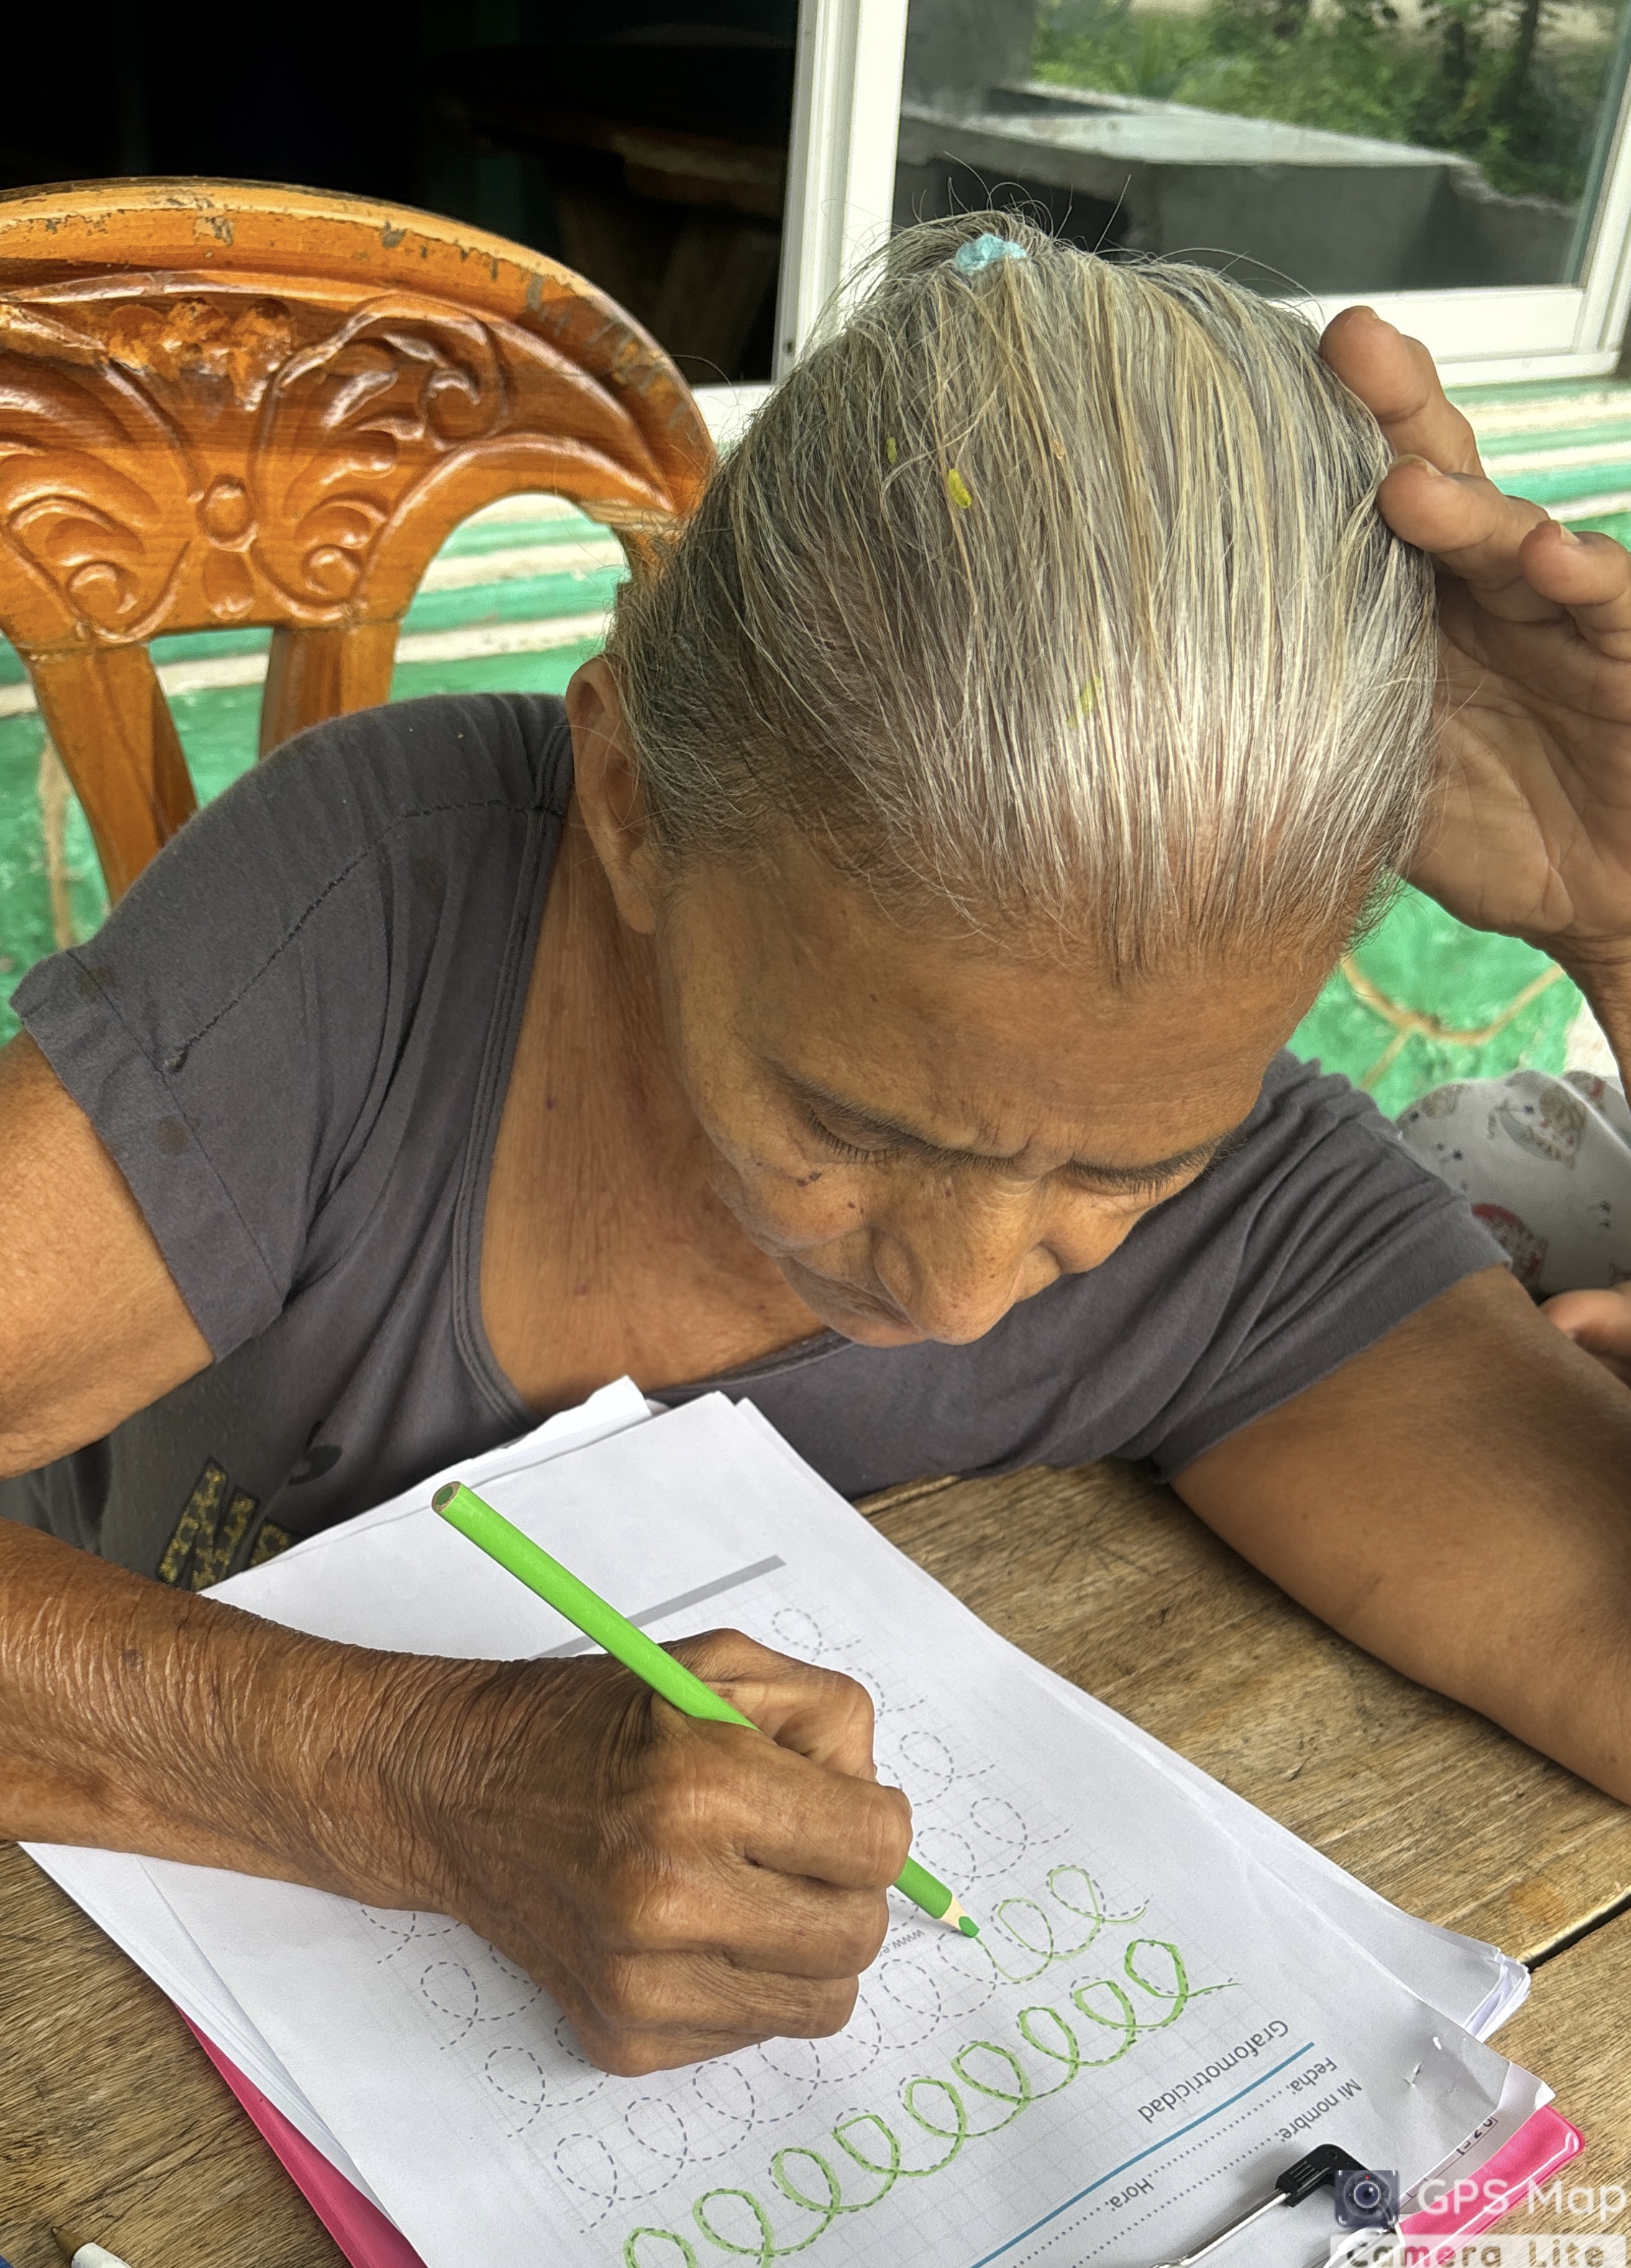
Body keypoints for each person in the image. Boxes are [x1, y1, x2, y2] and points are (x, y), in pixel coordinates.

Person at [5, 215, 1631, 2080]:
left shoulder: (1257, 1218)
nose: (955, 1293)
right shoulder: (374, 939)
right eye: (846, 1124)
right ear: (630, 799)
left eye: (1119, 1171)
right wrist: (421, 1779)